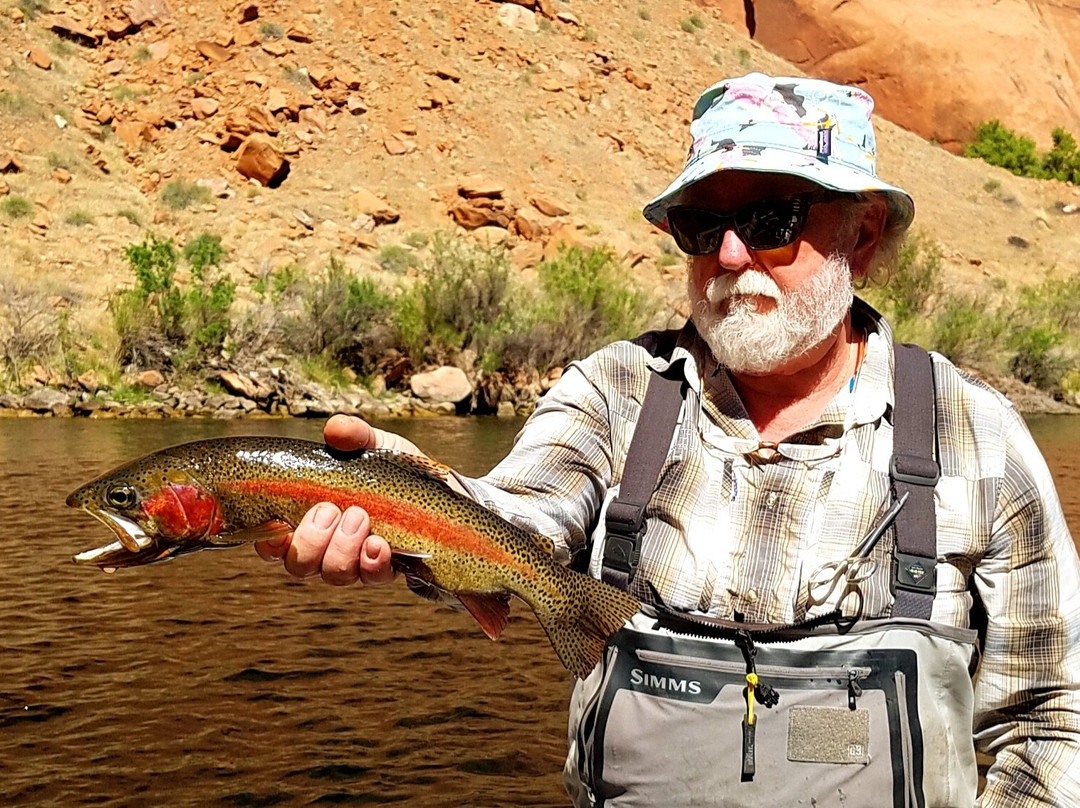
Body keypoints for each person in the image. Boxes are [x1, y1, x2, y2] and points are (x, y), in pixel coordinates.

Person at [256, 74, 1080, 807]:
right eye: (699, 225)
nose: (728, 255)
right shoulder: (615, 392)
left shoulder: (976, 433)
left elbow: (1054, 721)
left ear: (861, 235)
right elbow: (516, 526)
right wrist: (398, 498)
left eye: (770, 219)